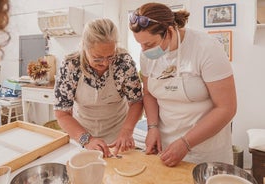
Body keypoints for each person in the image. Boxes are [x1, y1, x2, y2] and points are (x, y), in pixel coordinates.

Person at [129, 2, 237, 167]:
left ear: (170, 31)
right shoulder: (147, 56)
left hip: (206, 150)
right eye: (140, 44)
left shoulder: (206, 48)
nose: (143, 51)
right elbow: (149, 93)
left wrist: (186, 142)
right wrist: (152, 127)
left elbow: (226, 108)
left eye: (149, 44)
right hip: (166, 147)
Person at [54, 18, 143, 157]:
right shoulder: (70, 65)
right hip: (81, 134)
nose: (105, 63)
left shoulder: (123, 62)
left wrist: (127, 131)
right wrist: (86, 140)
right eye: (97, 58)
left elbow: (136, 102)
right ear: (84, 47)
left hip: (119, 135)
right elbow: (62, 114)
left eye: (110, 56)